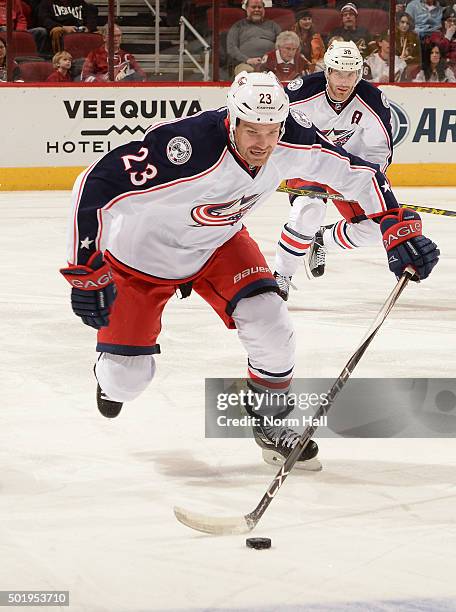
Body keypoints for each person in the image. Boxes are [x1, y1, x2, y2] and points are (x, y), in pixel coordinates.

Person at [60, 71, 439, 472]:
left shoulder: (292, 137)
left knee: (271, 323)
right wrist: (86, 268)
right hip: (141, 261)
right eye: (252, 130)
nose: (263, 143)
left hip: (219, 244)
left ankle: (270, 420)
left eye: (272, 130)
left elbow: (358, 173)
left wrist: (394, 225)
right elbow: (93, 186)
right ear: (232, 120)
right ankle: (110, 376)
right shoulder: (186, 147)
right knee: (127, 382)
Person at [273, 40, 395, 289]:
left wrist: (362, 185)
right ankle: (281, 276)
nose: (344, 80)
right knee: (309, 210)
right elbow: (273, 128)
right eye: (338, 72)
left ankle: (323, 239)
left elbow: (379, 152)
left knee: (374, 230)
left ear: (359, 74)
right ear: (327, 71)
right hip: (309, 162)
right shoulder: (299, 93)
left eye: (350, 73)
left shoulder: (372, 101)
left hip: (348, 169)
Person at [226, 0, 281, 76]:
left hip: (270, 65)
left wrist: (269, 60)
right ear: (246, 9)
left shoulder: (273, 25)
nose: (257, 10)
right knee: (249, 74)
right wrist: (247, 60)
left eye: (260, 7)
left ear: (264, 9)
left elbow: (281, 45)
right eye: (253, 7)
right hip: (245, 65)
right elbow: (231, 48)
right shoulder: (238, 26)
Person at [81, 24, 146, 82]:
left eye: (119, 36)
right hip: (100, 91)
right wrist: (102, 80)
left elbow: (141, 75)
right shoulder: (94, 55)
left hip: (122, 92)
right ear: (104, 38)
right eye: (113, 36)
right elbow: (84, 76)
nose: (116, 39)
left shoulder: (127, 57)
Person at [428, 7, 456, 73]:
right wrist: (448, 36)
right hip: (440, 70)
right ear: (443, 22)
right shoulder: (436, 35)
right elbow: (439, 52)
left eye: (454, 21)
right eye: (449, 20)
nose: (452, 24)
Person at [395, 12, 422, 80]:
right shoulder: (392, 35)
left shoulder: (414, 37)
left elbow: (418, 57)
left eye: (407, 23)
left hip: (408, 66)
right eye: (402, 22)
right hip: (394, 65)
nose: (405, 25)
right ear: (398, 22)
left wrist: (409, 58)